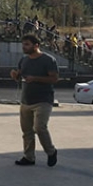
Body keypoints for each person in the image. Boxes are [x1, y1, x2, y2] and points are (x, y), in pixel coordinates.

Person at [9, 35, 59, 167]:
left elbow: (54, 79)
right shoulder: (24, 60)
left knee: (40, 127)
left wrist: (35, 78)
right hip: (26, 100)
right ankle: (29, 157)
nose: (24, 47)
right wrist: (15, 76)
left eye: (27, 44)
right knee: (27, 131)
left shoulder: (48, 60)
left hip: (43, 100)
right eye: (23, 44)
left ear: (36, 45)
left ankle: (51, 151)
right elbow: (20, 77)